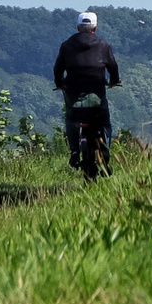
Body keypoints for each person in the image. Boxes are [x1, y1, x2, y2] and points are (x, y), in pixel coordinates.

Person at [53, 11, 120, 180]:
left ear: (77, 27)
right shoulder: (104, 46)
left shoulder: (67, 45)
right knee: (105, 124)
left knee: (71, 118)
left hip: (73, 93)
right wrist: (114, 81)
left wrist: (60, 83)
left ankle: (75, 150)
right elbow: (113, 67)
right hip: (96, 93)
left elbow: (58, 68)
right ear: (95, 29)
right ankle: (104, 157)